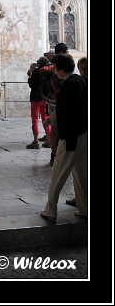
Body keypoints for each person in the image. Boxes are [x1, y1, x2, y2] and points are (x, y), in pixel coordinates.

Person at [40, 53, 88, 224]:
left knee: (58, 172)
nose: (53, 70)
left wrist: (51, 119)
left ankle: (51, 210)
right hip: (84, 135)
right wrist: (50, 118)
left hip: (70, 137)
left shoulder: (67, 85)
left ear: (61, 69)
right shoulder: (81, 80)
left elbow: (63, 112)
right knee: (81, 173)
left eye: (54, 67)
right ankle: (85, 208)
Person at [66, 55, 88, 208]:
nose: (83, 72)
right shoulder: (80, 82)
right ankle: (81, 199)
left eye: (86, 69)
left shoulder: (80, 83)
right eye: (82, 69)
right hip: (82, 131)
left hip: (82, 131)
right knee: (81, 168)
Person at [42, 42, 69, 165]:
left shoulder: (51, 65)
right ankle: (57, 155)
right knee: (58, 128)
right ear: (63, 52)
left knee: (54, 128)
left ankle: (55, 155)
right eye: (66, 51)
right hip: (58, 101)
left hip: (52, 100)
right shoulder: (59, 65)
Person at [26, 57, 51, 149]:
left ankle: (35, 141)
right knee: (46, 119)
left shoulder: (36, 72)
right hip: (45, 98)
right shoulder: (48, 72)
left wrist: (30, 76)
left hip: (36, 98)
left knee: (35, 119)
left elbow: (31, 84)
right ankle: (49, 141)